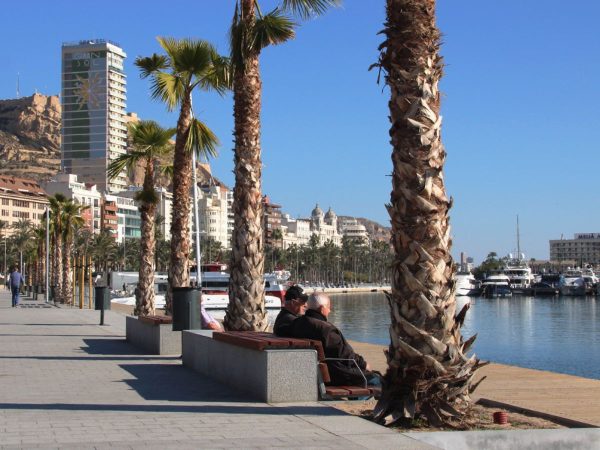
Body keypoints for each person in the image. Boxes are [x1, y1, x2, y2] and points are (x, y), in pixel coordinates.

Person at [291, 292, 380, 386]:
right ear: (322, 308)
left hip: (311, 373)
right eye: (328, 307)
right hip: (334, 376)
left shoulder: (296, 323)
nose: (329, 310)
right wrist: (364, 364)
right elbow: (346, 355)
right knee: (378, 379)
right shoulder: (326, 329)